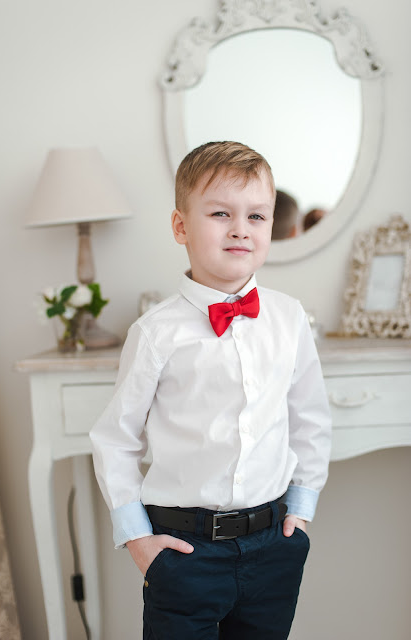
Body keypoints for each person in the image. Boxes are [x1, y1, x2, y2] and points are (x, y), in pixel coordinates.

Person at [90, 141, 332, 639]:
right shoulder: (155, 332)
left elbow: (309, 419)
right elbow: (115, 439)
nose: (241, 228)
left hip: (274, 545)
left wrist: (302, 514)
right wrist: (138, 541)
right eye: (221, 213)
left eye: (256, 216)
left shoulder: (289, 318)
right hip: (184, 552)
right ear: (181, 226)